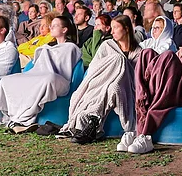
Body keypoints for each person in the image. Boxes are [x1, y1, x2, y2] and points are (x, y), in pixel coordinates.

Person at [123, 27, 182, 154]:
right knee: (147, 53)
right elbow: (171, 72)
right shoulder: (181, 51)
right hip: (169, 87)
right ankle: (138, 125)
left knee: (169, 55)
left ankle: (145, 134)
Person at [58, 15, 142, 144]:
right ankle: (93, 120)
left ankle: (93, 122)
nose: (112, 31)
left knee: (115, 83)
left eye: (116, 28)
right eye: (111, 28)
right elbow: (94, 68)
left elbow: (136, 76)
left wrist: (121, 64)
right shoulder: (107, 45)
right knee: (111, 82)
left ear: (126, 29)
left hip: (127, 86)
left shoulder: (139, 52)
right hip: (101, 83)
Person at [0, 16, 81, 133]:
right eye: (51, 26)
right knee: (7, 80)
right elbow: (37, 64)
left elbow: (65, 67)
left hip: (59, 79)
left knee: (47, 80)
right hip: (38, 73)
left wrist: (49, 52)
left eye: (54, 26)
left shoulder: (71, 47)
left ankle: (25, 119)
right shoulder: (47, 46)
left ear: (64, 30)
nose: (51, 28)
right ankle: (16, 116)